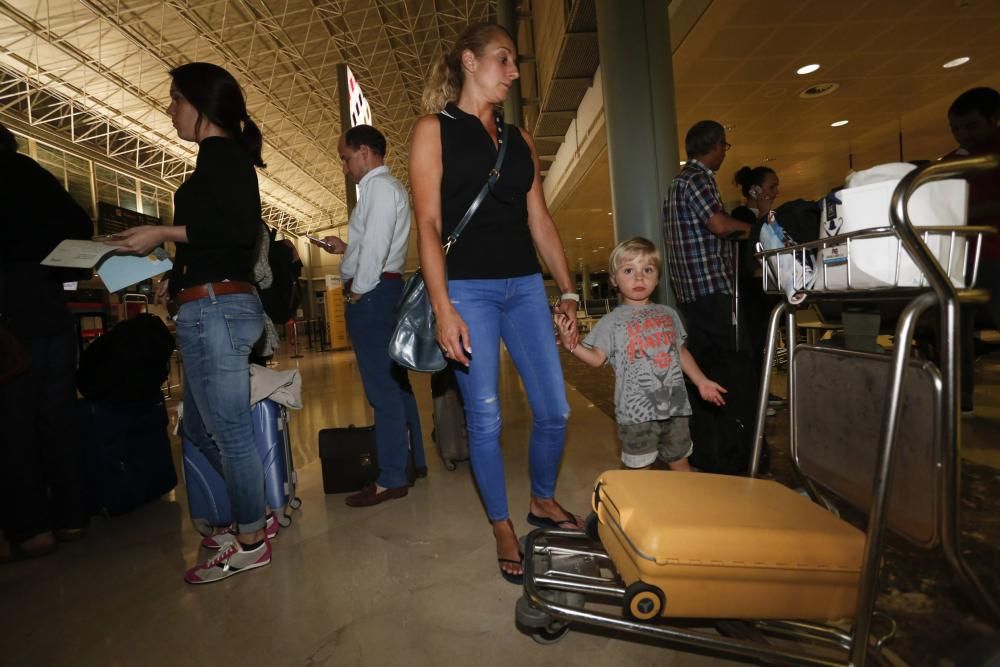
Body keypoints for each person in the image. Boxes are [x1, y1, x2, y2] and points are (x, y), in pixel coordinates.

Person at [409, 22, 583, 584]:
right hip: (467, 291)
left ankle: (542, 499)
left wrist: (569, 289)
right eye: (503, 60)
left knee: (554, 409)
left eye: (514, 63)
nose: (512, 72)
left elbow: (540, 220)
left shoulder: (520, 139)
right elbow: (429, 225)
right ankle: (503, 525)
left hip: (525, 288)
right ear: (469, 61)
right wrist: (442, 308)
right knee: (485, 417)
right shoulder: (433, 131)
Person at [107, 63, 272, 583]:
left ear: (200, 106)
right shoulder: (215, 163)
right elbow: (218, 239)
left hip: (220, 311)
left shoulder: (224, 157)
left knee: (227, 429)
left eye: (175, 98)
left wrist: (162, 232)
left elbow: (238, 229)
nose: (170, 108)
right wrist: (176, 278)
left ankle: (251, 538)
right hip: (206, 304)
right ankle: (254, 511)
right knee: (200, 426)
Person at [310, 124, 427, 506]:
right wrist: (347, 246)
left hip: (373, 295)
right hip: (386, 289)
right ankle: (415, 462)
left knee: (382, 390)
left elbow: (375, 250)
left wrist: (358, 292)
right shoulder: (389, 190)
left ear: (364, 152)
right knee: (398, 382)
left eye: (345, 158)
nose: (345, 167)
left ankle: (391, 477)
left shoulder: (376, 189)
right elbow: (373, 244)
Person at [0, 122, 93, 562]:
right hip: (51, 312)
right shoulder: (33, 173)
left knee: (13, 423)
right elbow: (79, 224)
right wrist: (56, 273)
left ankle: (32, 528)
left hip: (9, 318)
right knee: (58, 415)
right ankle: (71, 517)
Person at [555, 238, 726, 471]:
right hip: (637, 414)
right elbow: (597, 359)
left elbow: (680, 351)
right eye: (628, 270)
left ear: (657, 278)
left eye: (648, 270)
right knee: (639, 470)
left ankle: (687, 505)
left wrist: (701, 381)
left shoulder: (668, 314)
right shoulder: (612, 321)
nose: (639, 278)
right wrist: (571, 346)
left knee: (680, 462)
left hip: (676, 408)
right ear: (614, 280)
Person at [663, 120, 762, 474]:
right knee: (737, 373)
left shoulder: (676, 184)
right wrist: (755, 230)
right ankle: (739, 457)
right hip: (713, 292)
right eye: (725, 146)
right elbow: (719, 225)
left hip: (691, 296)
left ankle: (708, 451)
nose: (725, 152)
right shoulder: (698, 178)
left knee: (704, 374)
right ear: (715, 145)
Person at [944, 87, 1000, 414]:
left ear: (993, 121)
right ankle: (958, 399)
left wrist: (964, 212)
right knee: (954, 333)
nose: (963, 134)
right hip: (961, 258)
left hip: (995, 255)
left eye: (970, 126)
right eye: (956, 128)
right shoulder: (954, 161)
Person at [731, 165, 783, 411]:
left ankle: (761, 392)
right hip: (749, 290)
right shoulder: (741, 215)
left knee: (762, 343)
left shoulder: (767, 216)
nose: (775, 192)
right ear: (755, 190)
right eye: (771, 187)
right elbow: (755, 242)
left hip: (763, 290)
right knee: (751, 345)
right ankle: (753, 397)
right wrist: (763, 213)